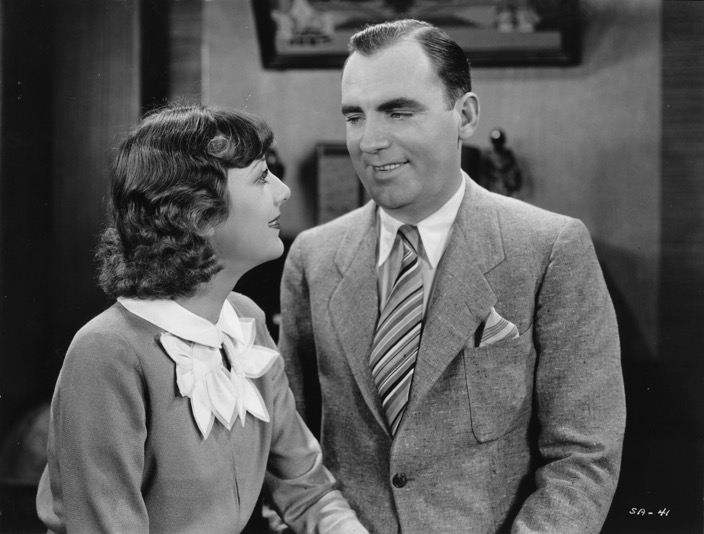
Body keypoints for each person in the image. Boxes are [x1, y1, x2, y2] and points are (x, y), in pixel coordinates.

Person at [279, 19, 626, 534]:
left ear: (464, 116)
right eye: (355, 116)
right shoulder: (313, 256)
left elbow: (583, 458)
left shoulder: (550, 248)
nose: (370, 141)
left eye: (399, 112)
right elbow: (291, 450)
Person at [35, 104, 368, 534]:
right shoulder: (107, 350)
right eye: (262, 177)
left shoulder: (244, 321)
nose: (283, 191)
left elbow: (307, 490)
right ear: (197, 213)